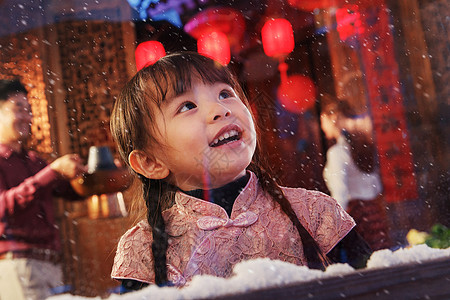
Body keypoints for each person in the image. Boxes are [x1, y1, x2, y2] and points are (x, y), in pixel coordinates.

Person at [110, 52, 372, 291]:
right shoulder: (142, 249)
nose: (220, 110)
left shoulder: (315, 212)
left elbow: (378, 290)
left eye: (225, 93)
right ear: (150, 163)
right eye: (187, 106)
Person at [0, 79, 88, 300]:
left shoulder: (34, 161)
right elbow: (2, 206)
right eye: (19, 109)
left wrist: (95, 176)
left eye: (29, 110)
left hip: (51, 262)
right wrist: (53, 172)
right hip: (17, 264)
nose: (27, 117)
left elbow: (68, 191)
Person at [320, 97, 391, 251]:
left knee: (365, 265)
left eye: (323, 120)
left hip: (356, 216)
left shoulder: (337, 153)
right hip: (374, 211)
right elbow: (376, 185)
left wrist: (334, 225)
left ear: (333, 119)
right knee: (381, 257)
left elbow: (340, 192)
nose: (322, 126)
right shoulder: (363, 146)